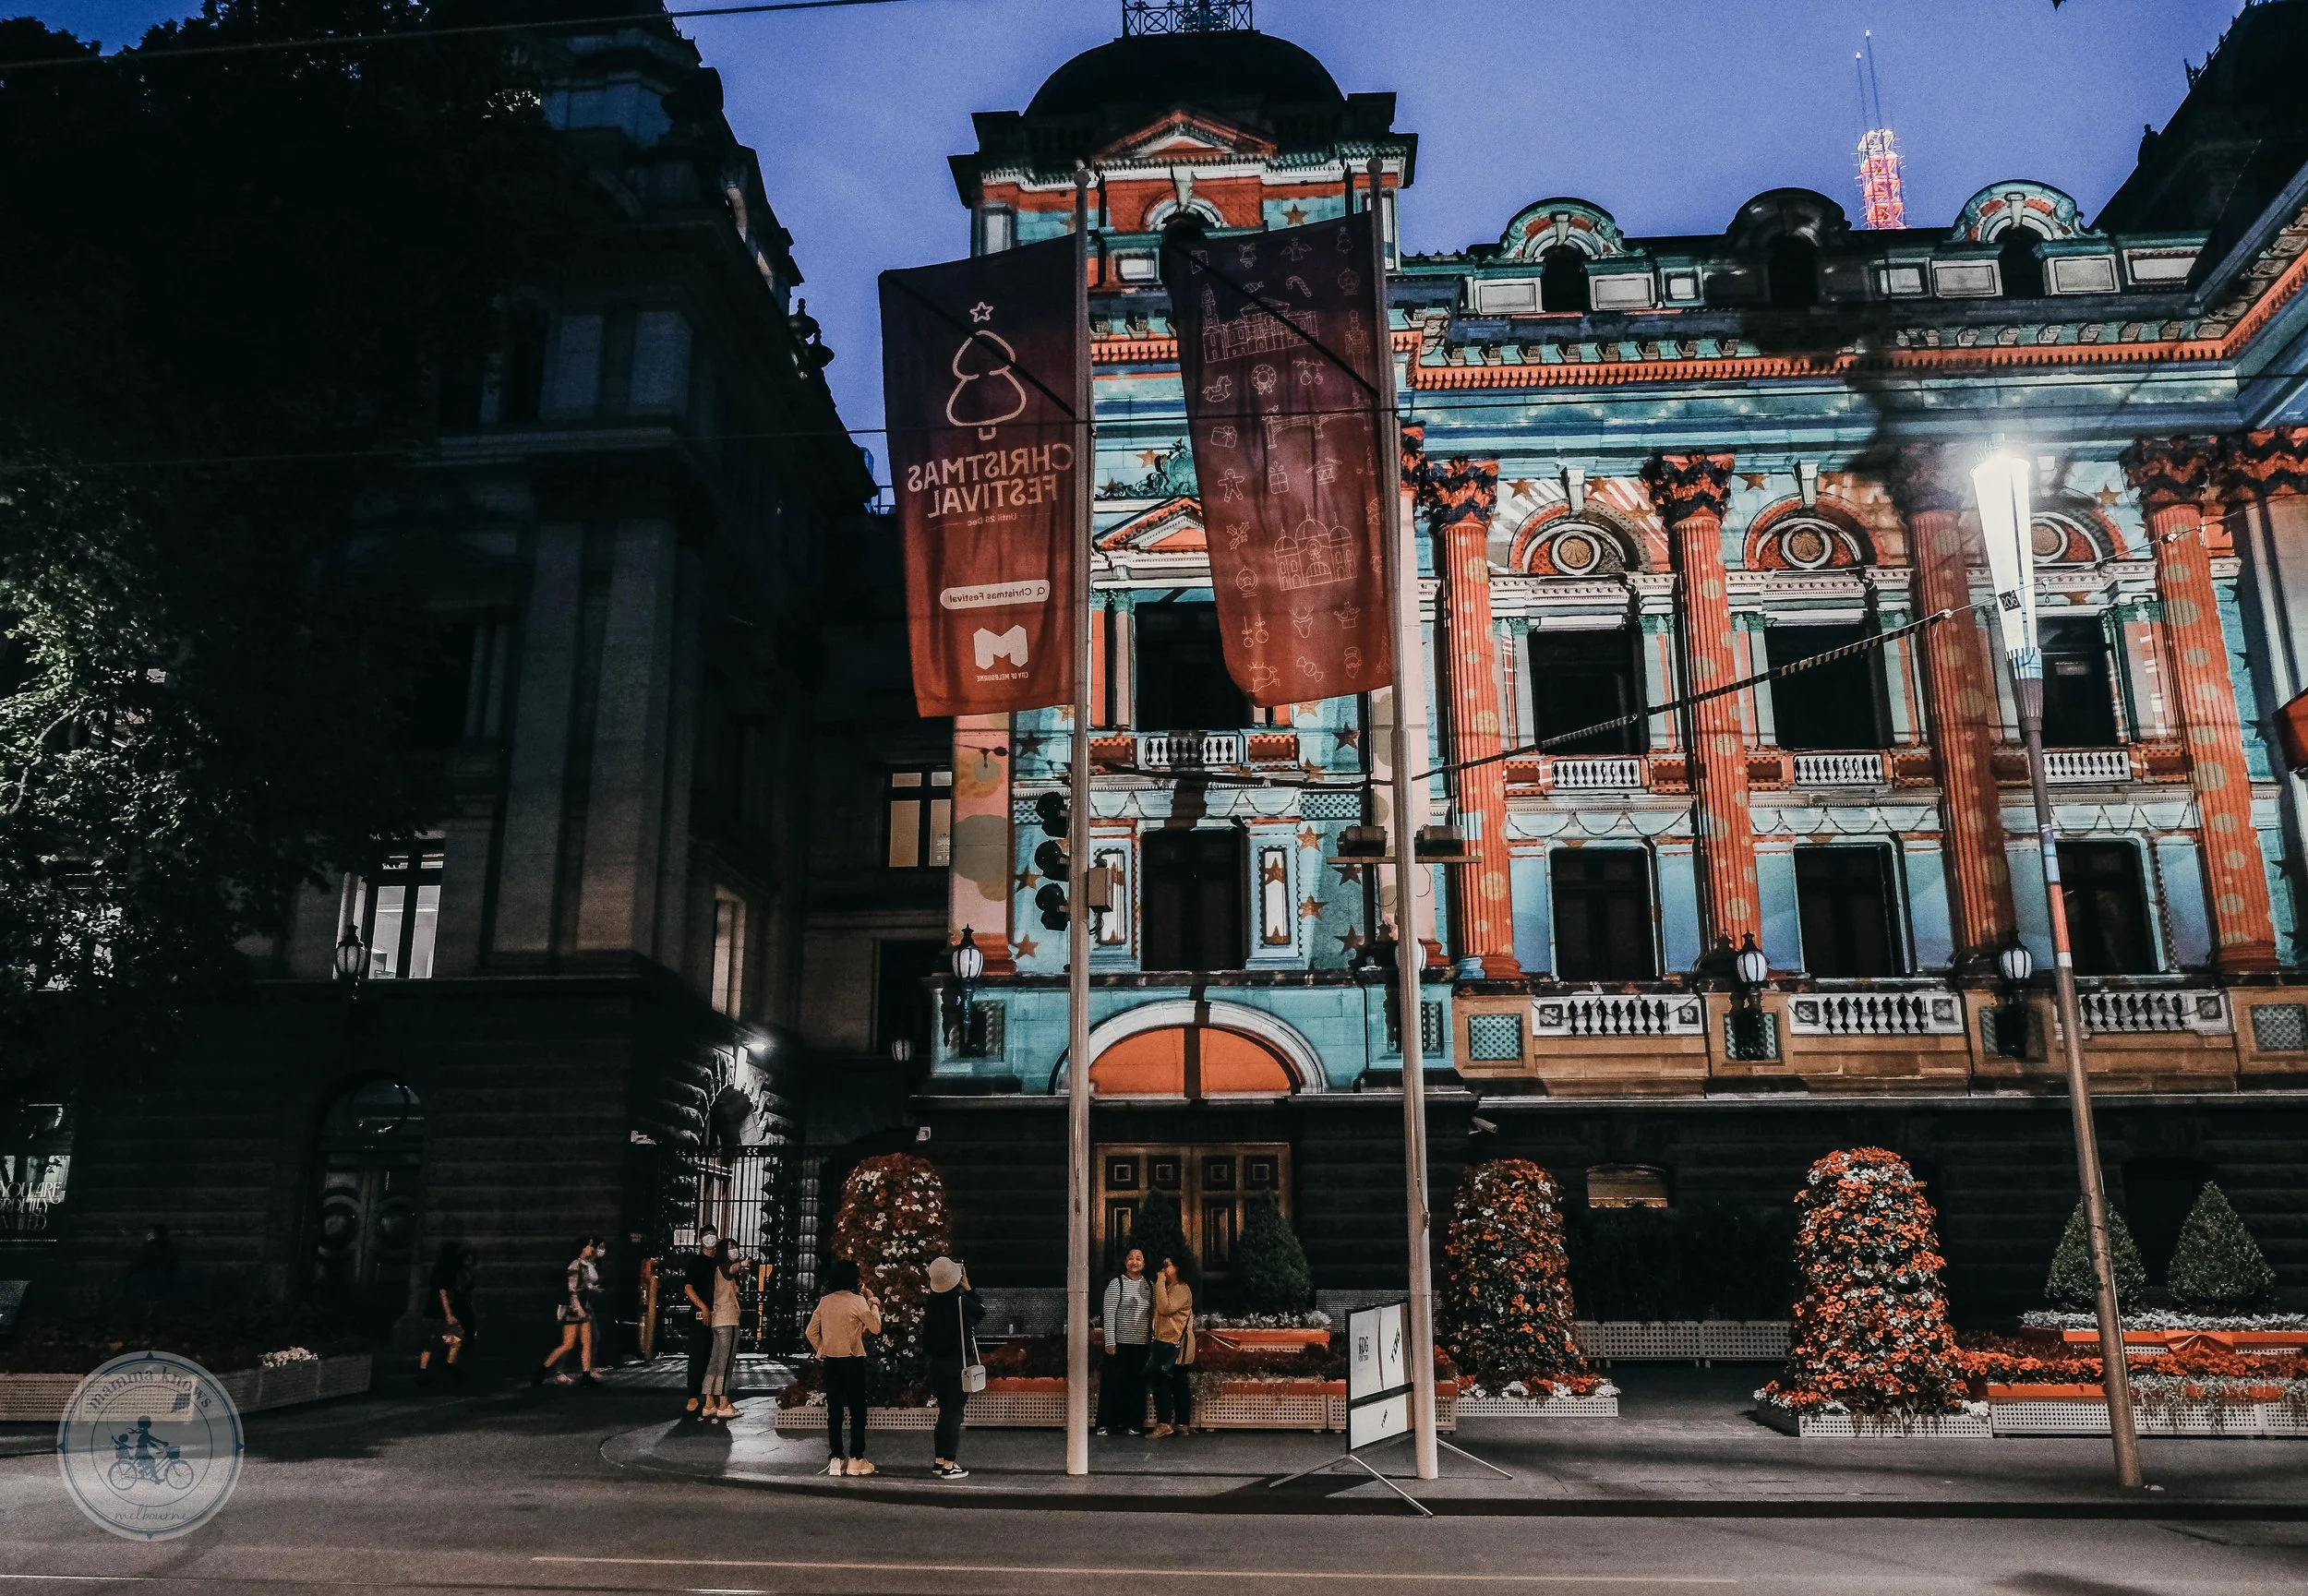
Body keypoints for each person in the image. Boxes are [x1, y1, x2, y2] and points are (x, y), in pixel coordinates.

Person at [804, 1258, 882, 1476]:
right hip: (852, 1359)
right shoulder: (857, 1301)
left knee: (835, 1410)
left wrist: (822, 1349)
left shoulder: (825, 1301)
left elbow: (810, 1331)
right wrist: (873, 1302)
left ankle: (836, 1457)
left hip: (831, 1362)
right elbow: (875, 1328)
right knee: (858, 1410)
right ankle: (856, 1457)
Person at [921, 1255, 984, 1480]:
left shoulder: (932, 1304)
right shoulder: (960, 1303)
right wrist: (969, 1289)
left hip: (936, 1364)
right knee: (954, 1413)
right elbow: (981, 1311)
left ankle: (939, 1460)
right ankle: (949, 1463)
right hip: (956, 1363)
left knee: (944, 1411)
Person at [1097, 1247, 1152, 1436]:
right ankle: (1106, 1423)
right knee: (1113, 1384)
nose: (1135, 1262)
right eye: (1131, 1258)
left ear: (1144, 1264)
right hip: (1120, 1344)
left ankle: (1134, 1423)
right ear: (1125, 1262)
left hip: (1141, 1345)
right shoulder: (1116, 1284)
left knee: (1136, 1386)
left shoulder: (1150, 1286)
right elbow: (1109, 1314)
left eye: (1139, 1258)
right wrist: (1110, 1342)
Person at [535, 1237, 603, 1386]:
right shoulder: (575, 1265)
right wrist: (579, 1310)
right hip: (575, 1309)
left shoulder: (583, 1265)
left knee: (586, 1342)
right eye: (588, 1246)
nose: (591, 1248)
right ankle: (542, 1370)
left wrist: (592, 1289)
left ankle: (586, 1375)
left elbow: (582, 1286)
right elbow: (572, 1290)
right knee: (568, 1344)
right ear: (582, 1248)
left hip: (582, 1308)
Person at [1147, 1253, 1196, 1437]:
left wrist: (1159, 1283)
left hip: (1175, 1345)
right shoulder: (1172, 1288)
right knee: (1177, 1383)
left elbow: (1165, 1308)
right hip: (1168, 1342)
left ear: (1177, 1268)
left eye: (1167, 1265)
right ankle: (1181, 1423)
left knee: (1164, 1383)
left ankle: (1166, 1423)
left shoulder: (1181, 1290)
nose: (1163, 1270)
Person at [697, 1237, 743, 1420]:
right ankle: (723, 1403)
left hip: (718, 1321)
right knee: (726, 1364)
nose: (734, 1250)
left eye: (735, 1247)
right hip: (728, 1320)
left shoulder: (719, 1269)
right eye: (731, 1247)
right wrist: (743, 1263)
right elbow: (732, 1268)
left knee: (714, 1363)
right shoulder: (725, 1267)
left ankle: (709, 1403)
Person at [418, 1242, 474, 1381]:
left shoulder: (440, 1268)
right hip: (440, 1311)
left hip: (435, 1309)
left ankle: (427, 1369)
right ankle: (443, 1366)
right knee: (445, 1340)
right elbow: (443, 1292)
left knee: (443, 1341)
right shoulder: (447, 1270)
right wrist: (449, 1314)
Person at [680, 1230, 719, 1417]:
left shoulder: (719, 1262)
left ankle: (709, 1396)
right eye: (707, 1235)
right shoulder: (695, 1262)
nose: (711, 1238)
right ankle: (693, 1396)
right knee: (698, 1355)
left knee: (714, 1357)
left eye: (714, 1235)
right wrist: (702, 1307)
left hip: (718, 1315)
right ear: (701, 1240)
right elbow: (688, 1287)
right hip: (699, 1315)